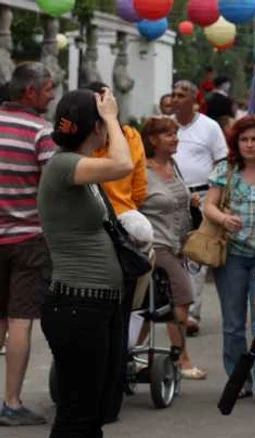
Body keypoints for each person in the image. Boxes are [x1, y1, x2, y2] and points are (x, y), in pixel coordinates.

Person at [38, 88, 133, 437]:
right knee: (77, 416)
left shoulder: (82, 169)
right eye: (106, 123)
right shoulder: (63, 164)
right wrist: (110, 115)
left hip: (96, 305)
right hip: (78, 304)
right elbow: (124, 164)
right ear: (95, 126)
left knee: (95, 413)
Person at [204, 115, 255, 403]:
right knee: (233, 322)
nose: (249, 145)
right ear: (236, 143)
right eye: (244, 140)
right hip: (233, 255)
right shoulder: (226, 170)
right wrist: (224, 218)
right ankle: (240, 379)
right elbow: (208, 205)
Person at [86, 80, 148, 422]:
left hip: (83, 240)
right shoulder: (129, 138)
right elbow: (138, 186)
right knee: (118, 317)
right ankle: (109, 401)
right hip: (124, 230)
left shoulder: (73, 145)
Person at [0, 62, 56, 426]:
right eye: (49, 88)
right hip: (28, 241)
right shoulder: (41, 132)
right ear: (30, 91)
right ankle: (11, 402)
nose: (52, 95)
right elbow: (54, 191)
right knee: (20, 320)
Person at [139, 116, 207, 380]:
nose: (175, 138)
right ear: (153, 140)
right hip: (155, 245)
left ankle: (131, 350)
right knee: (182, 296)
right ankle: (181, 357)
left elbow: (177, 198)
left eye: (175, 133)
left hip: (175, 245)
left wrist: (190, 201)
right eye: (168, 134)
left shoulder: (172, 164)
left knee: (150, 307)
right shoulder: (142, 171)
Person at [171, 80, 228, 336]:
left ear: (194, 99)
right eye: (173, 94)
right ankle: (175, 306)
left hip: (203, 195)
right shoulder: (166, 125)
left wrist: (219, 196)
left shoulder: (209, 127)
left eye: (181, 94)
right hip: (172, 196)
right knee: (175, 252)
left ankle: (192, 312)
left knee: (197, 252)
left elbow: (222, 160)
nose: (175, 98)